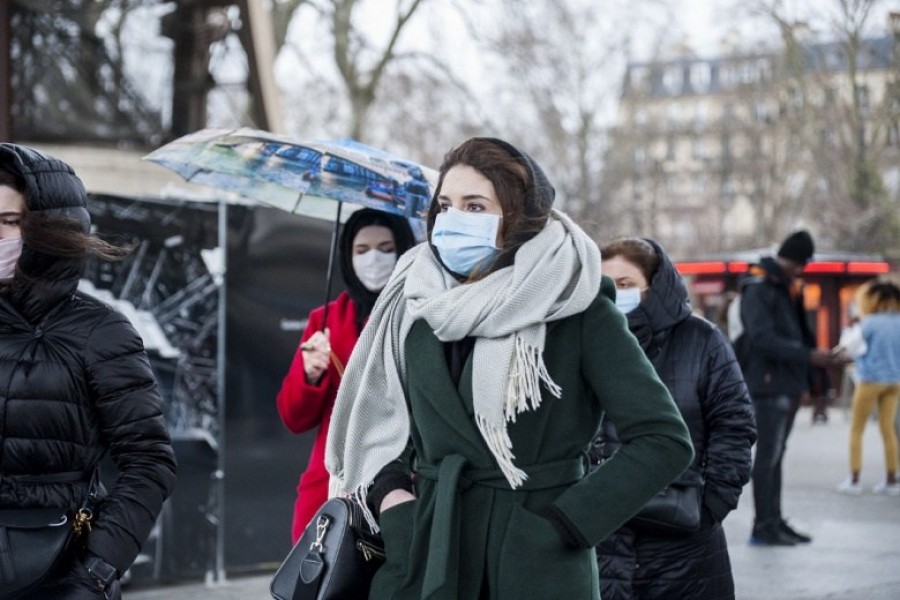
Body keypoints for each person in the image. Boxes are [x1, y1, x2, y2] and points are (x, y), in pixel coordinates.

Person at [325, 137, 694, 599]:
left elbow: (663, 440)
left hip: (533, 563)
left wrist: (565, 523)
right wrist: (394, 497)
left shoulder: (574, 307)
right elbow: (389, 421)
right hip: (428, 549)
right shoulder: (417, 303)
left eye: (475, 206)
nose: (453, 220)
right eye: (445, 206)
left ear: (519, 217)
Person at [0, 143, 177, 598]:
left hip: (58, 571)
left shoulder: (101, 332)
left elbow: (149, 462)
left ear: (49, 229)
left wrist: (95, 572)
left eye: (8, 221)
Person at [594, 238, 756, 600]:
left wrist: (711, 505)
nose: (614, 293)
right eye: (605, 284)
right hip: (602, 540)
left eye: (625, 284)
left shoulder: (702, 339)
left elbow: (734, 424)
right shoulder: (584, 339)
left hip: (685, 546)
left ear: (656, 285)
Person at [276, 208, 415, 543]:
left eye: (386, 249)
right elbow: (294, 418)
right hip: (330, 484)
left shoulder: (418, 314)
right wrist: (310, 375)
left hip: (401, 479)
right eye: (362, 250)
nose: (373, 259)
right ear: (347, 256)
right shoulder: (324, 321)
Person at [739, 229, 849, 546]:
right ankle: (763, 525)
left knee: (777, 455)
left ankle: (774, 520)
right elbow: (761, 338)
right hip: (768, 383)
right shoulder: (759, 288)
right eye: (799, 264)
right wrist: (808, 355)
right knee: (768, 456)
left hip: (786, 381)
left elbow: (794, 334)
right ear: (787, 259)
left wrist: (815, 357)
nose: (801, 270)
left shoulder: (785, 287)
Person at [836, 278, 900, 496]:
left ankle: (854, 479)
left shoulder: (870, 322)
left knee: (857, 429)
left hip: (870, 380)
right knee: (888, 429)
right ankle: (891, 480)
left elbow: (850, 346)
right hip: (894, 381)